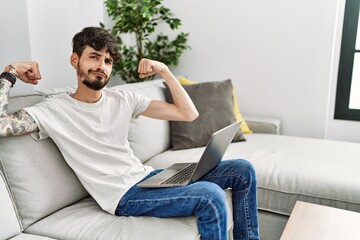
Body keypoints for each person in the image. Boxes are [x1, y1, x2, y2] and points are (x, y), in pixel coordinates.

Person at [0, 26, 259, 240]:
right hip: (122, 195)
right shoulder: (53, 109)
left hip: (148, 177)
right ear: (74, 60)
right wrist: (10, 73)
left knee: (242, 170)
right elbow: (3, 125)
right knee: (211, 196)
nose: (102, 65)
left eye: (108, 60)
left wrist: (165, 71)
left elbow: (188, 114)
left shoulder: (122, 99)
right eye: (94, 57)